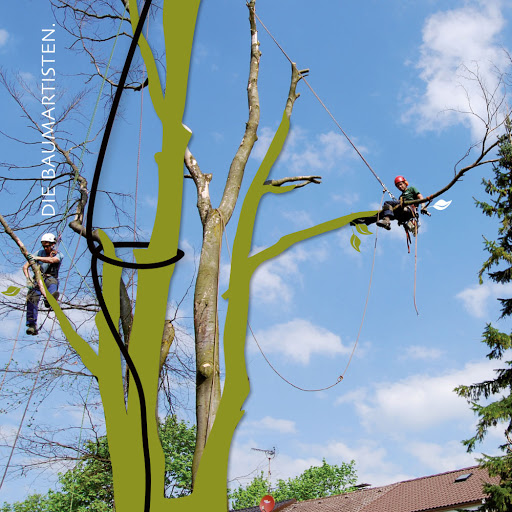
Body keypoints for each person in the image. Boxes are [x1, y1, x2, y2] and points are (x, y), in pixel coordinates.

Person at [23, 233, 63, 335]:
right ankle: (32, 324)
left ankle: (49, 300)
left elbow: (53, 260)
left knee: (52, 283)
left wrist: (37, 258)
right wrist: (28, 279)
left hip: (50, 277)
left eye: (47, 246)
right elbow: (25, 266)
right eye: (44, 246)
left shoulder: (57, 254)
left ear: (53, 244)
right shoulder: (39, 252)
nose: (45, 248)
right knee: (32, 297)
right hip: (37, 279)